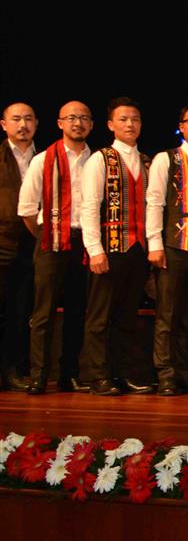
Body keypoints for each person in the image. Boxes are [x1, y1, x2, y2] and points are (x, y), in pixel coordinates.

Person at [79, 97, 154, 396]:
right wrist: (95, 249)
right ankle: (96, 375)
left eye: (135, 119)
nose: (130, 124)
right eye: (123, 119)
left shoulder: (147, 161)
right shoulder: (101, 158)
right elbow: (88, 207)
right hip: (109, 248)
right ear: (111, 125)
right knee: (99, 315)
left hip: (137, 248)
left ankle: (125, 373)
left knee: (127, 315)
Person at [19, 101, 93, 393]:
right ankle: (39, 374)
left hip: (84, 242)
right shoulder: (43, 159)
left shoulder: (98, 159)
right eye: (72, 118)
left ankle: (69, 373)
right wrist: (45, 235)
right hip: (50, 239)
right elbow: (26, 209)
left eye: (84, 118)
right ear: (60, 123)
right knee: (43, 312)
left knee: (78, 309)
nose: (78, 123)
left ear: (92, 125)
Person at [144, 102, 188, 395]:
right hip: (173, 245)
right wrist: (155, 243)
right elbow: (155, 201)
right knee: (167, 314)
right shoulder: (167, 158)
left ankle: (185, 371)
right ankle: (165, 373)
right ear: (182, 126)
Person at [1, 102, 38, 390]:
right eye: (16, 119)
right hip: (2, 243)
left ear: (36, 123)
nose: (22, 125)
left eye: (27, 119)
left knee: (21, 311)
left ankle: (16, 369)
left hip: (33, 246)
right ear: (4, 125)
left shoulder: (45, 157)